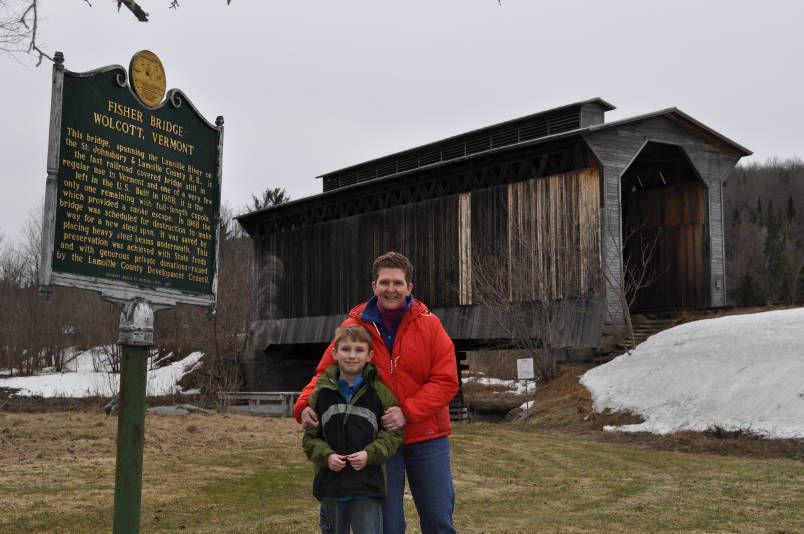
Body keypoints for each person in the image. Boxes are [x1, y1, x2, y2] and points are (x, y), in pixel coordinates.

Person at [295, 251, 459, 534]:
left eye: (397, 282)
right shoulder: (354, 327)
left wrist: (407, 412)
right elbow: (325, 373)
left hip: (427, 436)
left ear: (409, 287)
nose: (391, 289)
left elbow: (446, 381)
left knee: (438, 520)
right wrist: (303, 405)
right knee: (388, 525)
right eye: (385, 282)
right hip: (379, 441)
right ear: (374, 286)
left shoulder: (430, 325)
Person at [302, 324, 404, 534]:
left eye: (359, 350)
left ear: (369, 356)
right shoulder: (321, 394)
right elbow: (310, 439)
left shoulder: (380, 393)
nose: (351, 355)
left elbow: (393, 434)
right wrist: (327, 456)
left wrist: (370, 454)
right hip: (331, 485)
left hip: (367, 486)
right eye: (346, 349)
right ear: (334, 353)